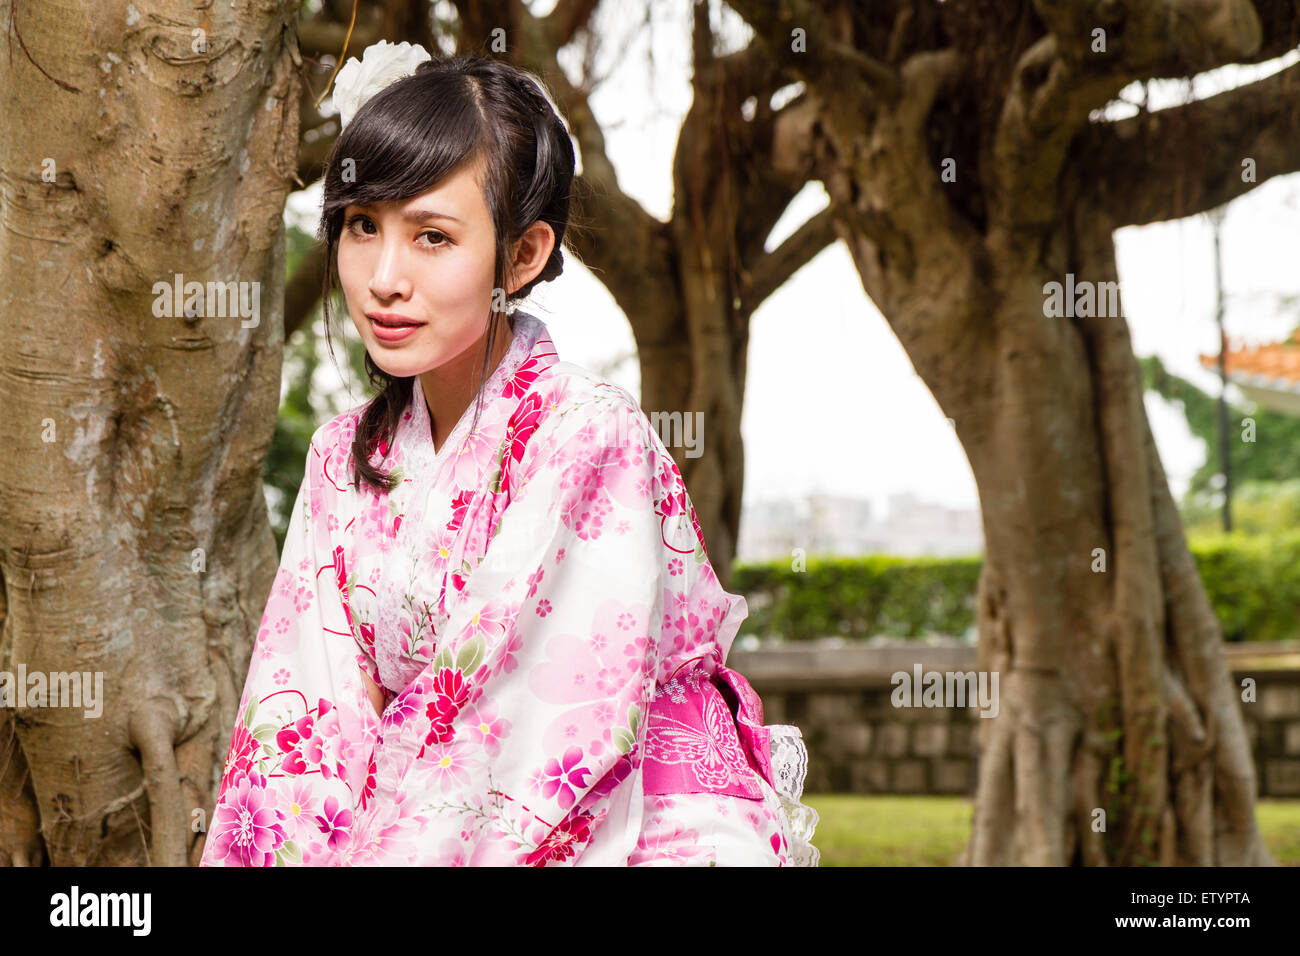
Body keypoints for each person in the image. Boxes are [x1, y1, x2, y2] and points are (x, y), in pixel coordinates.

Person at [201, 43, 818, 867]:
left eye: (431, 236)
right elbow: (302, 719)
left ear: (522, 255)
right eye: (361, 227)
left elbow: (525, 740)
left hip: (632, 828)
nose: (383, 277)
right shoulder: (342, 456)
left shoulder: (589, 438)